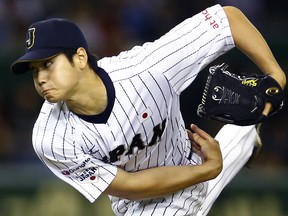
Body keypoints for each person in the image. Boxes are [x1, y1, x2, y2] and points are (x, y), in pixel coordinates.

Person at [10, 4, 286, 216]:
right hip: (137, 203)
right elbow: (128, 186)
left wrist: (276, 76)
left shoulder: (148, 69)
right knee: (211, 164)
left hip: (185, 165)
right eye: (34, 71)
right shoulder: (50, 138)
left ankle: (244, 134)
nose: (41, 78)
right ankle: (245, 135)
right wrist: (206, 170)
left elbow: (228, 19)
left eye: (48, 64)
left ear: (80, 57)